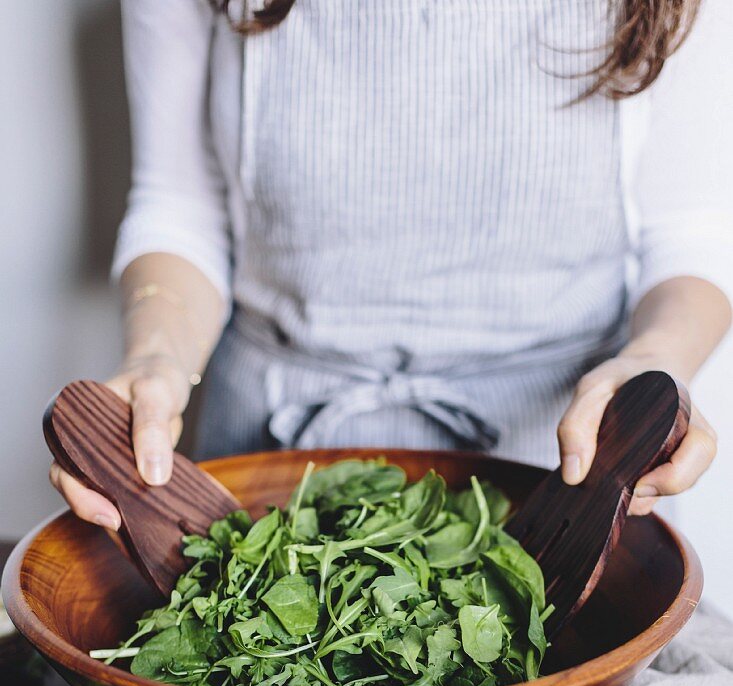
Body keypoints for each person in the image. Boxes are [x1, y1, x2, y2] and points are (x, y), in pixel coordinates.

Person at [51, 0, 732, 529]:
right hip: (267, 449)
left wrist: (654, 367)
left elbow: (686, 234)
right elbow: (179, 206)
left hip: (560, 466)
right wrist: (157, 361)